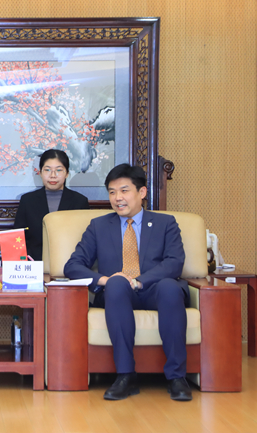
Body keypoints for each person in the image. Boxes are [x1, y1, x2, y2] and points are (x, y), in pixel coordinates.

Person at [64, 163, 192, 401]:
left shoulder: (166, 223)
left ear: (142, 192)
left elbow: (174, 263)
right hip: (117, 293)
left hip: (154, 289)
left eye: (124, 191)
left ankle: (177, 377)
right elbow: (72, 265)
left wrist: (140, 281)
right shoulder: (99, 226)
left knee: (169, 287)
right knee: (116, 283)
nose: (117, 198)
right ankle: (125, 376)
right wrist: (105, 279)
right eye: (112, 192)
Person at [13, 149, 89, 261]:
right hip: (35, 263)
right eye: (47, 170)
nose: (53, 175)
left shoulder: (80, 201)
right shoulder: (27, 200)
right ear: (40, 173)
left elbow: (85, 241)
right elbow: (18, 237)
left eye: (59, 170)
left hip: (70, 263)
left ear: (67, 173)